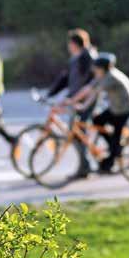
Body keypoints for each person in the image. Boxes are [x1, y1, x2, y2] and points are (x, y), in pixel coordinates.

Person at [64, 55, 129, 173]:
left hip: (124, 110)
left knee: (116, 138)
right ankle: (112, 144)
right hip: (115, 108)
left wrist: (83, 106)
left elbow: (94, 93)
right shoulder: (104, 75)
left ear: (102, 68)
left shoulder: (110, 77)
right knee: (97, 120)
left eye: (96, 67)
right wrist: (73, 100)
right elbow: (88, 88)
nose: (94, 69)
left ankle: (111, 159)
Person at [47, 29, 98, 178]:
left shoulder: (87, 57)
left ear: (75, 44)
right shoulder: (78, 58)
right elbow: (66, 79)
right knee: (76, 131)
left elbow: (89, 82)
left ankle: (85, 167)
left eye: (70, 43)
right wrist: (51, 93)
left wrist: (72, 98)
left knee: (77, 131)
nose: (69, 46)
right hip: (78, 98)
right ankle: (85, 166)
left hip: (87, 100)